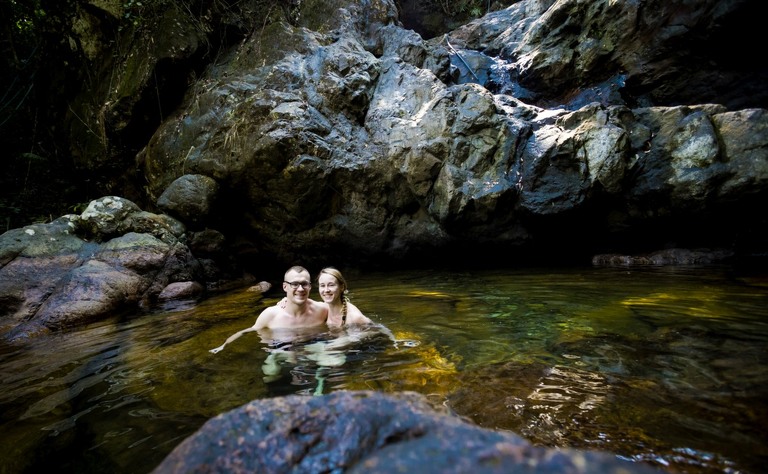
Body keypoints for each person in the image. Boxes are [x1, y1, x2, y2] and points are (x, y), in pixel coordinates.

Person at [209, 266, 328, 354]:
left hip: (312, 347)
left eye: (304, 284)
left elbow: (343, 308)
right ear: (285, 287)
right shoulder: (270, 315)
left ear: (310, 286)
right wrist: (223, 345)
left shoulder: (322, 309)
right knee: (270, 373)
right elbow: (246, 331)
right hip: (281, 349)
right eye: (295, 284)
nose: (300, 289)